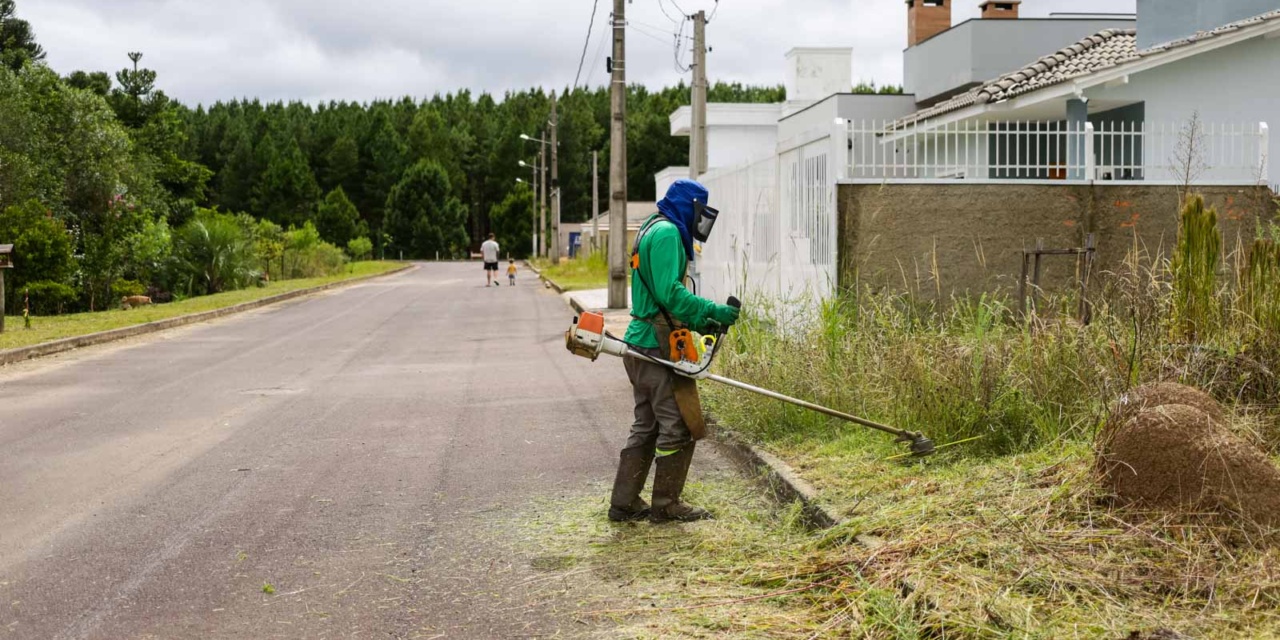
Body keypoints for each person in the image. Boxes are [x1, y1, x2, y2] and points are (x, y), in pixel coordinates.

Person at [608, 179, 741, 524]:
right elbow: (670, 294)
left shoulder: (650, 228)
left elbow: (659, 299)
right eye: (699, 211)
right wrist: (712, 310)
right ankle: (666, 505)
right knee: (679, 425)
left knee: (647, 425)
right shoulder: (667, 233)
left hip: (640, 340)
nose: (700, 220)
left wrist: (698, 322)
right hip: (656, 345)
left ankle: (624, 503)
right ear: (689, 206)